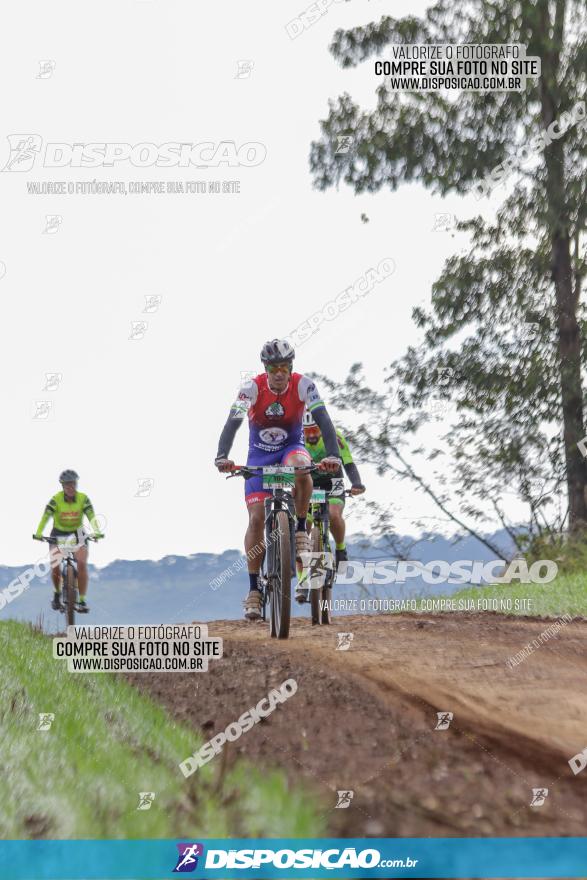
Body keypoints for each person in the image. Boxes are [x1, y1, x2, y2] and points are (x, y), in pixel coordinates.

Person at [215, 338, 341, 620]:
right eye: (273, 367)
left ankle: (310, 539)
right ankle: (254, 590)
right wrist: (222, 455)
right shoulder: (251, 389)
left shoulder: (304, 386)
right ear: (266, 368)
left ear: (291, 367)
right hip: (259, 456)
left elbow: (327, 423)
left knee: (325, 510)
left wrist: (336, 461)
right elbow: (233, 421)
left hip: (302, 463)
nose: (279, 372)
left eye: (284, 366)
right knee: (257, 518)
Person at [34, 469, 103, 613]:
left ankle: (82, 600)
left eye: (73, 484)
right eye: (67, 485)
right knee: (55, 564)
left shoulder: (83, 499)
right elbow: (45, 517)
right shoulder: (56, 499)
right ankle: (57, 593)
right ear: (62, 486)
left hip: (77, 534)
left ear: (76, 484)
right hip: (58, 534)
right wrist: (39, 532)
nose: (70, 488)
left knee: (82, 563)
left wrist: (96, 531)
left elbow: (91, 516)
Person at [303, 411, 365, 567]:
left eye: (315, 430)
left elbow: (348, 463)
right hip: (310, 482)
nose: (311, 435)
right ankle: (303, 556)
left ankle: (340, 548)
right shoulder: (296, 438)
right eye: (307, 431)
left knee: (334, 514)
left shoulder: (334, 436)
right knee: (305, 520)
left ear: (322, 428)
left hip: (333, 480)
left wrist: (356, 483)